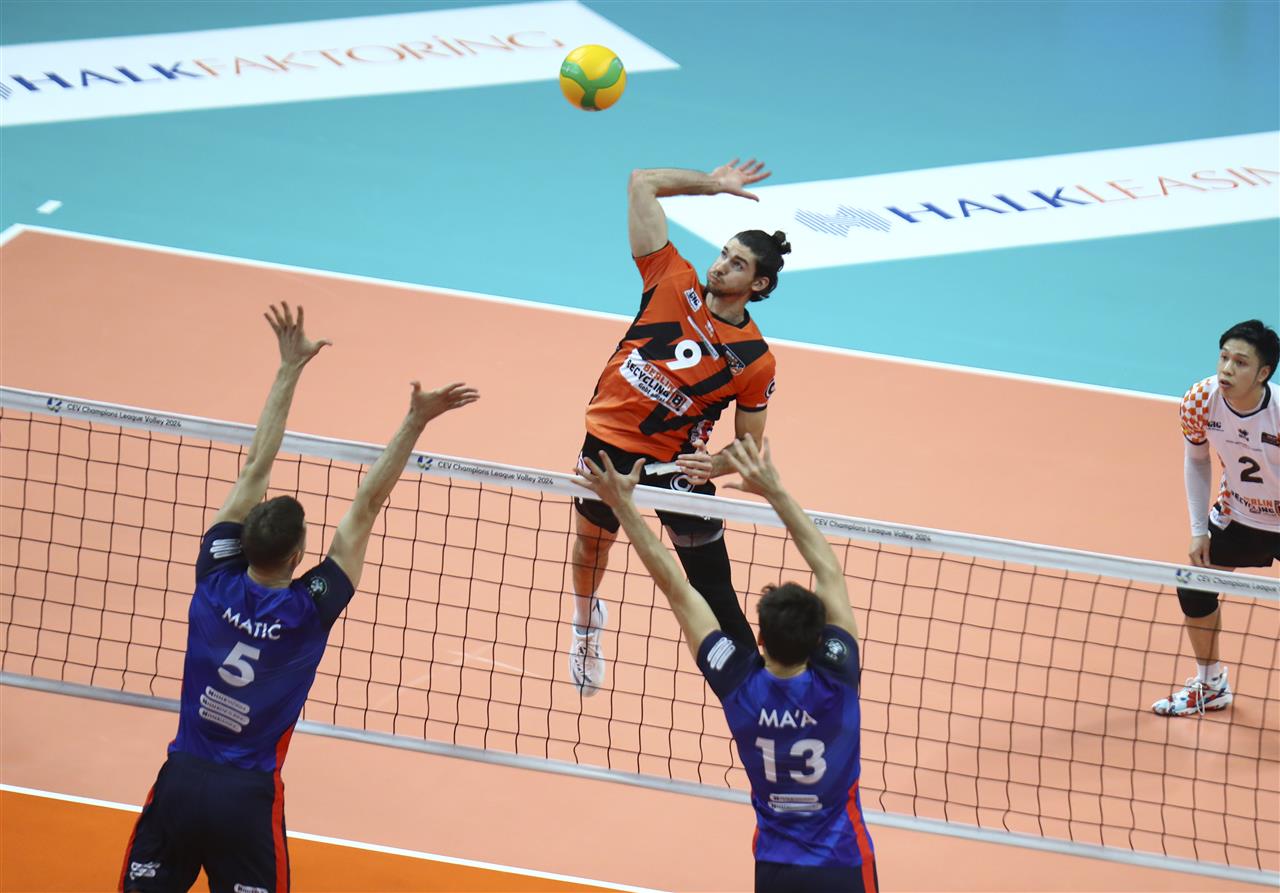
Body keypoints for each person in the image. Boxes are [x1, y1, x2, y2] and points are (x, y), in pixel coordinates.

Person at [120, 304, 479, 892]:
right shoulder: (309, 609)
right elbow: (366, 506)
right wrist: (416, 420)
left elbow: (255, 469)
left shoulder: (213, 577)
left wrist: (289, 367)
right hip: (247, 800)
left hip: (181, 780)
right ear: (298, 556)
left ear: (243, 541)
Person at [577, 436, 879, 891]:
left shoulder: (738, 681)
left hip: (775, 869)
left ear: (760, 639)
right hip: (844, 862)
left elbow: (678, 589)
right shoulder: (838, 677)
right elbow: (829, 571)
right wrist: (774, 490)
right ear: (820, 640)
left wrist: (623, 506)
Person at [569, 157, 791, 696]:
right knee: (591, 549)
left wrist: (713, 465)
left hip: (674, 467)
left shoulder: (754, 360)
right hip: (607, 446)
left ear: (758, 283)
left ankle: (759, 692)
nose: (721, 267)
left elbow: (748, 448)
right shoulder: (671, 276)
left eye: (737, 264)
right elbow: (642, 183)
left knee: (712, 588)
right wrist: (716, 185)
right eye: (723, 253)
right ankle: (585, 626)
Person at [1154, 319, 1279, 716]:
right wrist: (1198, 530)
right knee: (1194, 588)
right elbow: (1196, 460)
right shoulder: (1200, 400)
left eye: (1240, 363)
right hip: (1236, 515)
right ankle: (1210, 686)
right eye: (1224, 357)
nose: (1227, 369)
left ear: (1263, 373)